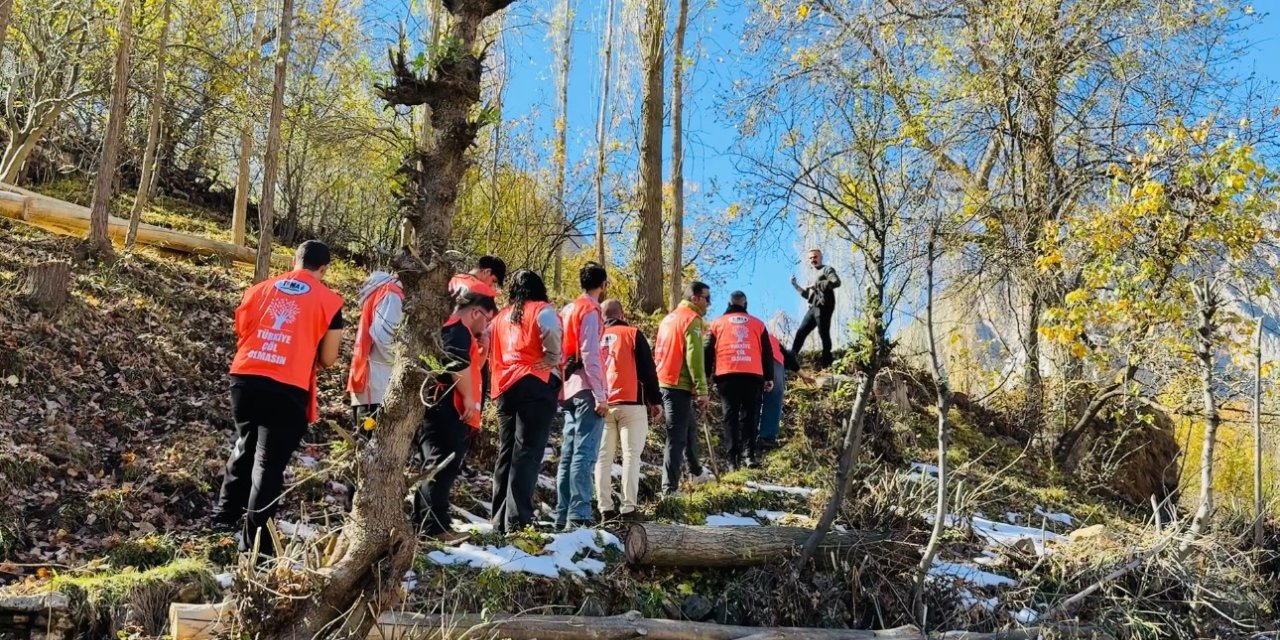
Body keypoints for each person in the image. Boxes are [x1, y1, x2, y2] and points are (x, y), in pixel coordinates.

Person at [211, 240, 344, 555]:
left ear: (294, 261)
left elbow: (243, 329)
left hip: (245, 376)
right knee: (269, 465)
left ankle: (224, 516)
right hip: (288, 385)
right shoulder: (329, 301)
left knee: (245, 444)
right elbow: (328, 357)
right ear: (323, 269)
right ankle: (255, 542)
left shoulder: (261, 288)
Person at [412, 290, 498, 540]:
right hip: (446, 406)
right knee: (442, 463)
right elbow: (456, 364)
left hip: (444, 405)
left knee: (438, 463)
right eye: (487, 319)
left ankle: (426, 522)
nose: (486, 326)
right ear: (475, 312)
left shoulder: (459, 331)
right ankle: (433, 528)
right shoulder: (456, 329)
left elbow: (469, 367)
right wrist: (469, 398)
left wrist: (483, 350)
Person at [489, 270, 562, 533]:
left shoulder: (500, 317)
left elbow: (488, 343)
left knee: (506, 453)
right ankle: (519, 520)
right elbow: (552, 330)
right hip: (534, 380)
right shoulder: (542, 310)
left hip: (505, 385)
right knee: (528, 451)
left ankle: (499, 520)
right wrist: (553, 358)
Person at [594, 299, 662, 521]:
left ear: (602, 315)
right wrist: (655, 400)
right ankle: (628, 509)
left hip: (603, 403)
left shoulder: (594, 335)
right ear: (622, 314)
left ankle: (605, 509)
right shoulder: (632, 334)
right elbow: (647, 369)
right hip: (631, 402)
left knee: (603, 458)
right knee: (631, 456)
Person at [554, 262, 610, 529]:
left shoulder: (567, 309)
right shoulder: (590, 310)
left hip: (568, 387)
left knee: (569, 452)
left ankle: (562, 513)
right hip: (587, 388)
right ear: (603, 285)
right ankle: (579, 514)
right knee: (584, 453)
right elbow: (590, 353)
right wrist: (601, 394)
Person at [654, 281, 713, 496]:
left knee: (689, 428)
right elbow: (694, 358)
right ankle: (669, 489)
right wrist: (702, 389)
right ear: (695, 298)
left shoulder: (669, 318)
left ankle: (696, 472)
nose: (709, 303)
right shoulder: (692, 320)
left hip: (664, 380)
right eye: (707, 298)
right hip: (677, 383)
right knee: (676, 437)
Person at [449, 255, 506, 479]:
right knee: (471, 407)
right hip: (472, 351)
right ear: (486, 272)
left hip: (445, 348)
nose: (492, 286)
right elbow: (493, 321)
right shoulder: (482, 290)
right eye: (493, 280)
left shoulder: (451, 280)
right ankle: (458, 459)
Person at [705, 292, 774, 469]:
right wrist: (769, 377)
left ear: (729, 303)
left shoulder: (717, 323)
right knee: (750, 416)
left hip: (727, 374)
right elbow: (767, 352)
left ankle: (731, 459)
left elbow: (708, 349)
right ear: (745, 304)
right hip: (752, 375)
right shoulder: (758, 324)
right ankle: (748, 455)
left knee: (730, 416)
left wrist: (706, 374)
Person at [347, 270, 402, 429]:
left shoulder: (383, 290)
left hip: (371, 382)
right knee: (373, 446)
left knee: (366, 445)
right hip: (378, 385)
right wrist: (404, 361)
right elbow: (383, 337)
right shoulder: (392, 294)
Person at [790, 249, 841, 369]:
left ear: (820, 257)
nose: (813, 260)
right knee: (801, 332)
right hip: (813, 307)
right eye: (811, 258)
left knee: (823, 333)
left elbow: (836, 282)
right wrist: (795, 285)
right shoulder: (812, 275)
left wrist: (817, 285)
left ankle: (827, 363)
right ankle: (791, 358)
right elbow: (808, 295)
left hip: (824, 306)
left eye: (815, 257)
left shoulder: (826, 269)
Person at [759, 332, 803, 450]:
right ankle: (766, 438)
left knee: (752, 399)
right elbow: (788, 357)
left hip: (750, 360)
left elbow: (788, 357)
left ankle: (751, 437)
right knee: (773, 398)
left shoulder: (769, 338)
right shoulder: (771, 338)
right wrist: (803, 374)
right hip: (772, 360)